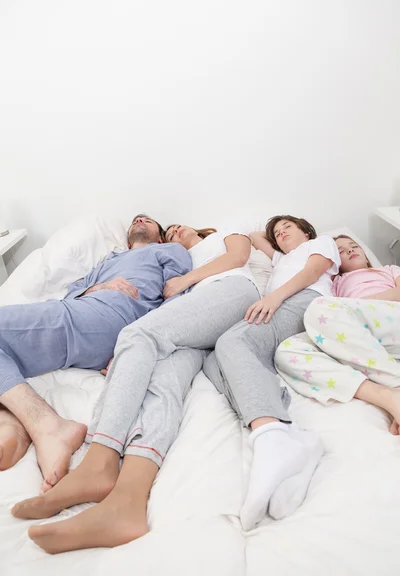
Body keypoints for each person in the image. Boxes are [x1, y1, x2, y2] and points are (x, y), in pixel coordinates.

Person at [12, 223, 262, 554]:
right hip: (196, 316)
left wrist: (183, 282)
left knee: (136, 336)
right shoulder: (160, 257)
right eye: (170, 230)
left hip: (225, 293)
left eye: (176, 227)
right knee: (165, 380)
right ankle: (126, 504)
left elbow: (241, 255)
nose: (175, 231)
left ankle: (99, 462)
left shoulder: (218, 238)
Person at [0, 214, 191, 492]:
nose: (140, 219)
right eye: (137, 218)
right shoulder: (109, 260)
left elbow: (179, 299)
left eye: (148, 220)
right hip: (84, 316)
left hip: (109, 315)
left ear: (160, 236)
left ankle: (49, 426)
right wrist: (100, 285)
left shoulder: (168, 250)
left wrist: (136, 345)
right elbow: (73, 293)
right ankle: (13, 422)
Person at [202, 215, 341, 530]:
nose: (281, 233)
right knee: (212, 361)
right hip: (283, 304)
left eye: (288, 227)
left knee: (232, 342)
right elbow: (254, 235)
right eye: (277, 233)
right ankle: (288, 438)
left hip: (305, 300)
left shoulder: (322, 243)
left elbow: (311, 272)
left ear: (307, 230)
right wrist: (276, 236)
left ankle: (271, 437)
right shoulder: (281, 258)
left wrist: (274, 297)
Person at [275, 234, 400, 433]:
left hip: (392, 320)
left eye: (353, 246)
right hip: (364, 342)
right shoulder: (335, 283)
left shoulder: (388, 270)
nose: (350, 250)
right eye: (341, 251)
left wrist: (359, 305)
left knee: (321, 308)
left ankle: (395, 383)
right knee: (287, 350)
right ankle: (387, 395)